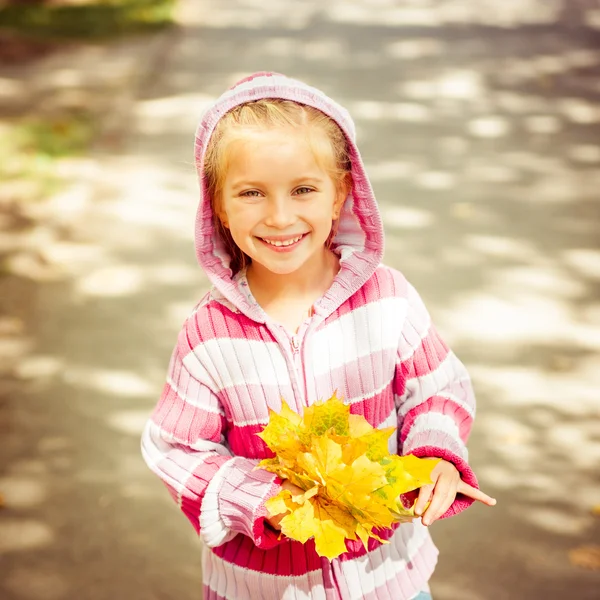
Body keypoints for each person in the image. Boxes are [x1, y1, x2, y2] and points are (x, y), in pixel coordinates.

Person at [141, 71, 496, 600]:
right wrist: (263, 500)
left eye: (303, 189)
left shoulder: (387, 299)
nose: (280, 217)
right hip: (263, 587)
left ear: (340, 195)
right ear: (217, 205)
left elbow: (437, 389)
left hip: (387, 577)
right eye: (251, 193)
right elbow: (177, 449)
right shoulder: (208, 335)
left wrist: (435, 454)